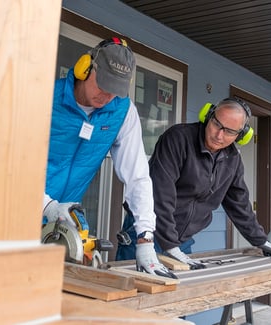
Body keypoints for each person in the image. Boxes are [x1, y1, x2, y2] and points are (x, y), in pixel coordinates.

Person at [42, 37, 175, 279]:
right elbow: (8, 162)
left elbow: (138, 177)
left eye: (115, 91)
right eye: (103, 85)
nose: (107, 96)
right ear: (86, 67)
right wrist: (46, 205)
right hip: (15, 209)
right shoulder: (46, 97)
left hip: (61, 225)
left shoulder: (122, 112)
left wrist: (145, 237)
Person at [116, 98, 271, 269]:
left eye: (229, 131)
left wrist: (260, 240)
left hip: (181, 239)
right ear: (208, 116)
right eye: (217, 124)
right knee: (132, 287)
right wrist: (170, 245)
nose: (219, 135)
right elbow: (161, 193)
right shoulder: (179, 138)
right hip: (147, 232)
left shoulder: (232, 160)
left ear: (241, 135)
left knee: (178, 291)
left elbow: (239, 203)